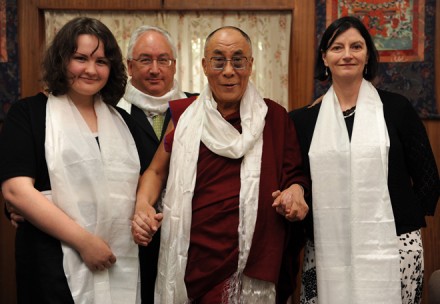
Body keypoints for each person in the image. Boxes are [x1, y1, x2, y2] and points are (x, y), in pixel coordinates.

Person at [131, 26, 310, 303]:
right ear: (204, 65)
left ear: (250, 65)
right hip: (197, 264)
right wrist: (143, 204)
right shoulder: (185, 117)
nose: (229, 71)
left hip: (255, 261)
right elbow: (155, 171)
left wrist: (295, 192)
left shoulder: (273, 117)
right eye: (218, 61)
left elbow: (295, 176)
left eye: (238, 61)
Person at [289, 16, 440, 304]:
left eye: (356, 46)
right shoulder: (302, 120)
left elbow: (428, 179)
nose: (347, 54)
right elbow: (297, 180)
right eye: (337, 47)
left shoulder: (397, 109)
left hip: (393, 246)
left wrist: (397, 222)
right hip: (326, 247)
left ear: (367, 54)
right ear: (324, 57)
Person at [0, 17, 149, 303]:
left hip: (118, 258)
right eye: (80, 58)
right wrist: (85, 242)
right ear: (61, 60)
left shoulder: (125, 122)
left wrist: (143, 208)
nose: (91, 70)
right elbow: (16, 191)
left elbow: (146, 180)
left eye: (102, 61)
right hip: (49, 263)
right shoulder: (28, 114)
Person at [117, 25, 198, 303]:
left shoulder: (197, 108)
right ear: (129, 65)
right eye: (145, 60)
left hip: (189, 241)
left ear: (174, 65)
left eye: (163, 60)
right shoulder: (110, 111)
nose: (155, 69)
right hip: (130, 239)